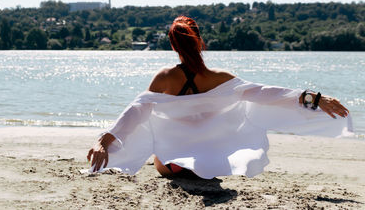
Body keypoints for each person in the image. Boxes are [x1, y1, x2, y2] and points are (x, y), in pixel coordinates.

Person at [87, 16, 351, 179]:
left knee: (153, 135)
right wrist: (313, 99)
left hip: (172, 166)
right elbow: (268, 94)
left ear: (172, 46)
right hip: (211, 167)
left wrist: (103, 142)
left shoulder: (165, 77)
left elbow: (135, 113)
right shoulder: (221, 78)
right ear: (201, 42)